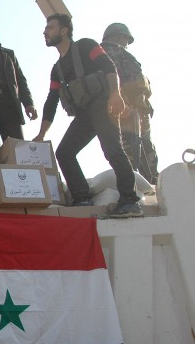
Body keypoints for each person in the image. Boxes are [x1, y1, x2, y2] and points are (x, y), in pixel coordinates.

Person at [34, 13, 142, 217]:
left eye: (50, 28)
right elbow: (52, 100)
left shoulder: (85, 46)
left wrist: (115, 93)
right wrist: (42, 133)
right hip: (84, 114)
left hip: (103, 106)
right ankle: (82, 197)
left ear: (64, 31)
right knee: (64, 153)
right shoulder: (57, 69)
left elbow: (108, 66)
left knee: (113, 150)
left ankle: (130, 202)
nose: (45, 32)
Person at [0, 11, 38, 173]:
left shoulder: (8, 53)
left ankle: (23, 186)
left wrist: (29, 104)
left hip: (9, 105)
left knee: (18, 151)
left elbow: (21, 80)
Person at [101, 23, 159, 184]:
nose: (126, 43)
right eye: (126, 39)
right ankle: (148, 182)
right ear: (120, 37)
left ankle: (133, 182)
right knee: (140, 147)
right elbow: (137, 82)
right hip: (130, 108)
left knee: (123, 148)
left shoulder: (98, 54)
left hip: (110, 111)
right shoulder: (120, 53)